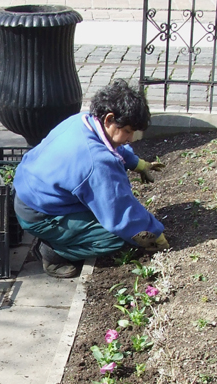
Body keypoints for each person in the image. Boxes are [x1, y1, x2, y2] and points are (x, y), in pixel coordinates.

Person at [13, 79, 169, 279]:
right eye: (128, 131)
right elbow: (119, 210)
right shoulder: (96, 161)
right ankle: (52, 252)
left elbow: (114, 146)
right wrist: (153, 232)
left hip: (30, 193)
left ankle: (58, 237)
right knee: (116, 239)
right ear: (109, 119)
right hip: (40, 214)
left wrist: (137, 164)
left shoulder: (83, 120)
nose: (131, 138)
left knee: (103, 215)